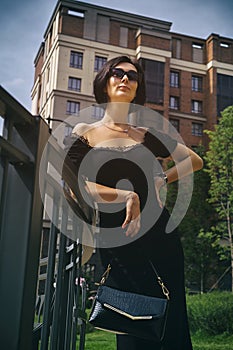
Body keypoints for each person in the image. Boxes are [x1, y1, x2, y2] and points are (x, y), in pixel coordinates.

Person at [65, 55, 203, 349]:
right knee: (130, 322)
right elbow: (77, 184)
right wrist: (127, 196)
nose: (125, 78)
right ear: (105, 81)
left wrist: (163, 178)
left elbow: (194, 160)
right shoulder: (85, 133)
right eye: (118, 73)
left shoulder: (145, 135)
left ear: (138, 88)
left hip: (161, 235)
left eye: (133, 75)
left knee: (172, 319)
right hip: (120, 237)